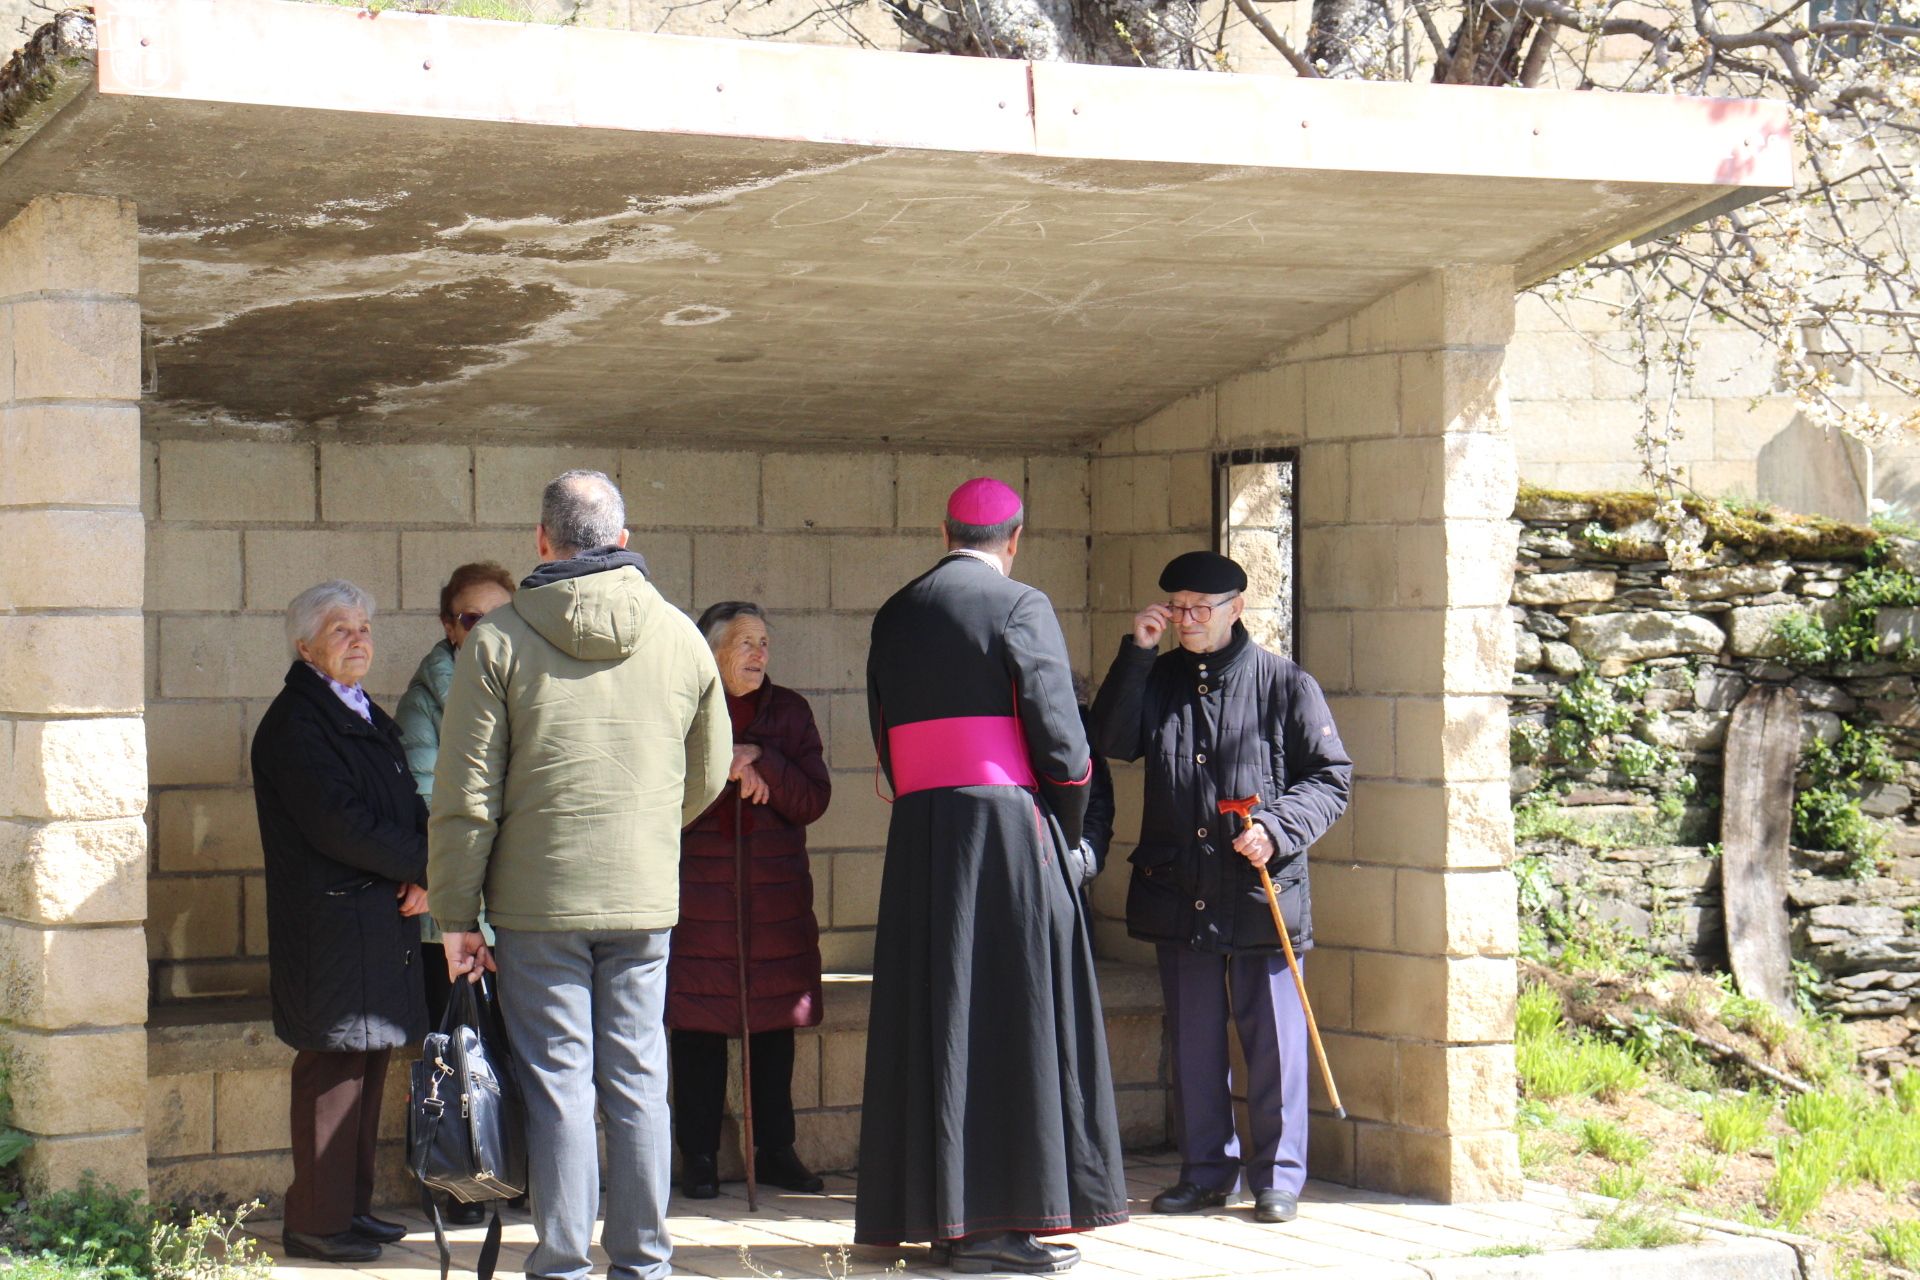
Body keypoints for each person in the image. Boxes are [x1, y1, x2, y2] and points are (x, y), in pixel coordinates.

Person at [428, 470, 730, 1280]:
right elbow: (708, 771)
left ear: (541, 542)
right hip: (641, 896)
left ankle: (561, 1262)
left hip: (536, 903)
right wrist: (643, 835)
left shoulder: (496, 640)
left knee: (559, 1082)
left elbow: (465, 796)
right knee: (637, 1078)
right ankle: (643, 1262)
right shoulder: (680, 636)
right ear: (623, 542)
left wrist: (457, 916)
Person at [856, 476, 1128, 1276]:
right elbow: (1065, 746)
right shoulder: (1022, 605)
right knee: (1012, 1018)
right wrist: (1067, 834)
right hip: (1008, 832)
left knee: (936, 1015)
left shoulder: (896, 611)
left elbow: (883, 730)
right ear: (1014, 539)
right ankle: (999, 1228)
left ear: (946, 533)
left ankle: (944, 1218)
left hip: (921, 834)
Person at [1088, 550, 1352, 1226]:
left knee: (1274, 1043)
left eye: (1200, 608)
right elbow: (1111, 741)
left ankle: (1279, 1179)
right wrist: (1136, 655)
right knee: (1196, 1043)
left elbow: (1330, 778)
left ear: (1237, 609)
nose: (1185, 619)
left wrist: (1278, 827)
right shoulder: (1160, 674)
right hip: (1181, 887)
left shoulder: (1286, 683)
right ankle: (1206, 1174)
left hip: (1261, 890)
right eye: (1175, 607)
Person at [250, 580, 429, 1264]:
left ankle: (349, 1210)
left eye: (363, 628)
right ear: (305, 646)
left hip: (374, 918)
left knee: (368, 1057)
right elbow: (339, 824)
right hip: (329, 927)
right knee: (334, 1068)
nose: (358, 639)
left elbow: (404, 801)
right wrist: (420, 865)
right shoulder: (298, 723)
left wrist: (424, 871)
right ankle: (316, 1223)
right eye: (339, 629)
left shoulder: (359, 712)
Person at [668, 601, 831, 1200]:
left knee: (773, 1027)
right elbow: (664, 801)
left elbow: (814, 798)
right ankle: (700, 1156)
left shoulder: (789, 712)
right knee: (698, 1028)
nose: (759, 653)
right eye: (745, 643)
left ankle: (777, 1150)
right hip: (701, 900)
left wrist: (765, 759)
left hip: (774, 901)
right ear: (712, 652)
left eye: (764, 641)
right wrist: (724, 768)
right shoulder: (684, 705)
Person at [392, 559, 516, 1229]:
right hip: (455, 908)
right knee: (462, 1054)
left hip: (516, 907)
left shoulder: (518, 679)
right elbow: (432, 800)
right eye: (473, 618)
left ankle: (507, 1170)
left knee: (509, 1047)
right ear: (450, 625)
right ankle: (461, 1181)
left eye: (500, 616)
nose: (487, 628)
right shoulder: (428, 699)